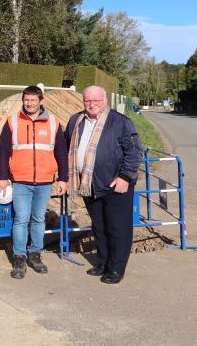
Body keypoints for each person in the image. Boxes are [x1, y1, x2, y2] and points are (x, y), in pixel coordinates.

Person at [65, 85, 142, 284]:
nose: (91, 105)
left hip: (116, 185)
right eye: (88, 101)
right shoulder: (76, 120)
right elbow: (67, 147)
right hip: (89, 184)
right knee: (99, 226)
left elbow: (134, 152)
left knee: (118, 228)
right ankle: (103, 262)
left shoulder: (120, 122)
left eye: (96, 100)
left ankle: (116, 268)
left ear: (104, 100)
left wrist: (125, 177)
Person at [0, 86, 68, 279]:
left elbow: (61, 153)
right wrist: (3, 176)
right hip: (20, 181)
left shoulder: (53, 123)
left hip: (45, 181)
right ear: (23, 101)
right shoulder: (12, 122)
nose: (29, 103)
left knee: (38, 219)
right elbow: (3, 151)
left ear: (40, 101)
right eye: (26, 100)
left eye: (33, 100)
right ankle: (19, 257)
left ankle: (35, 254)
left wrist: (63, 178)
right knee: (21, 219)